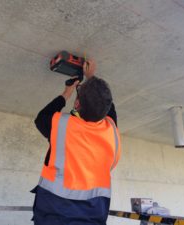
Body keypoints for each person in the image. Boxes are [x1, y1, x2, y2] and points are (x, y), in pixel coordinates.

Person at [31, 60, 121, 225]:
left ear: (77, 103)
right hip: (92, 215)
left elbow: (41, 118)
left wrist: (68, 91)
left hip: (54, 214)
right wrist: (91, 80)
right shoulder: (111, 131)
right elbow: (111, 109)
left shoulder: (62, 126)